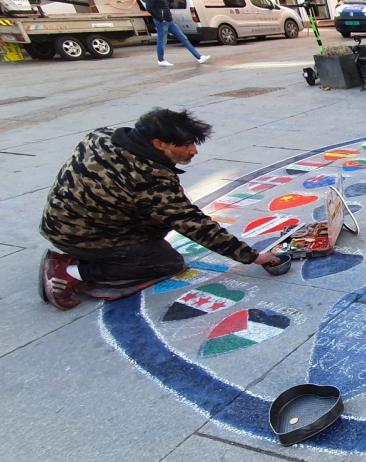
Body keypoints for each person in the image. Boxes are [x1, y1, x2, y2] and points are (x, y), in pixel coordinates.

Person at [38, 108, 280, 310]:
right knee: (167, 263)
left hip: (59, 221)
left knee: (156, 230)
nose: (193, 151)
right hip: (84, 235)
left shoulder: (102, 136)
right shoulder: (149, 176)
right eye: (185, 145)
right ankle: (69, 272)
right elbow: (193, 224)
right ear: (158, 143)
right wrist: (252, 256)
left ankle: (81, 254)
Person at [142, 0, 210, 66]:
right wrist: (161, 19)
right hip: (162, 23)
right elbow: (149, 7)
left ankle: (199, 57)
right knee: (162, 41)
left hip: (170, 21)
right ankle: (161, 60)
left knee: (184, 39)